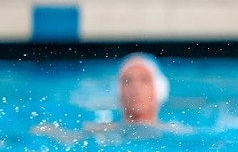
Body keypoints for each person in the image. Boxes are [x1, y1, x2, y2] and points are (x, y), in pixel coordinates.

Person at [33, 53, 185, 143]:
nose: (135, 88)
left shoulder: (177, 132)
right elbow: (68, 138)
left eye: (144, 80)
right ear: (118, 91)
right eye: (127, 81)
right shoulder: (98, 130)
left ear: (159, 90)